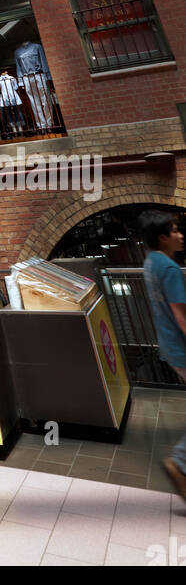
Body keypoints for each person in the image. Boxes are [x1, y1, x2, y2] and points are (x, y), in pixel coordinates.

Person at [139, 210, 186, 500]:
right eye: (175, 230)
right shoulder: (168, 269)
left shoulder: (149, 263)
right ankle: (179, 463)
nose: (180, 235)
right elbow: (182, 318)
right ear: (162, 237)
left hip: (168, 347)